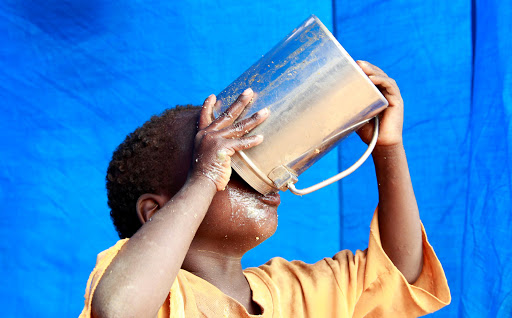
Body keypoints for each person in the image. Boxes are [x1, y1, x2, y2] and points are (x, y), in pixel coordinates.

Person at [80, 61, 450, 318]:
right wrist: (206, 176)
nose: (255, 170)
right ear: (156, 212)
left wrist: (387, 149)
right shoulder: (147, 289)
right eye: (228, 162)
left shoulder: (299, 292)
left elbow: (401, 272)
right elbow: (118, 310)